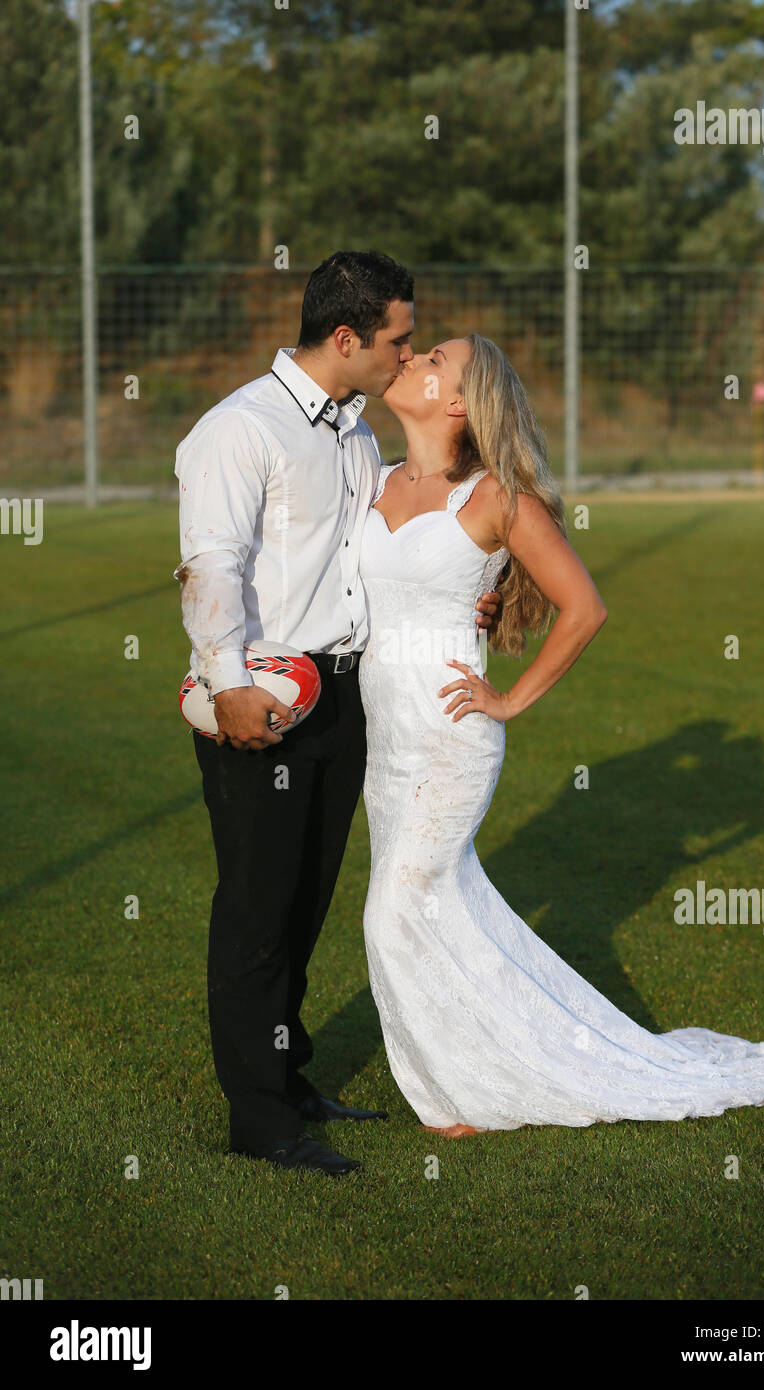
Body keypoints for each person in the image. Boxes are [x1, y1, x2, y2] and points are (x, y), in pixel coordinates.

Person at [357, 332, 764, 1136]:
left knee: (393, 909)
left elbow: (585, 607)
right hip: (382, 745)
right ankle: (463, 1078)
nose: (415, 359)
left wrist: (509, 700)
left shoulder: (498, 498)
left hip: (449, 738)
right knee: (432, 909)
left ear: (459, 402)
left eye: (435, 360)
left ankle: (459, 1100)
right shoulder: (376, 478)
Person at [173, 251, 502, 1177]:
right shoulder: (240, 430)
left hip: (346, 698)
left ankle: (293, 1076)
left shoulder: (355, 432)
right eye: (400, 339)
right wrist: (229, 683)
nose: (408, 355)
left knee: (309, 898)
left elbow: (395, 547)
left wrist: (472, 593)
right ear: (348, 337)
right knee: (255, 909)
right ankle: (260, 1121)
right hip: (262, 702)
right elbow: (210, 566)